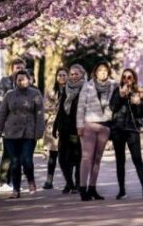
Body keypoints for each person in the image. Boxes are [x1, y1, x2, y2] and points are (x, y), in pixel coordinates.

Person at [0, 70, 45, 199]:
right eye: (19, 79)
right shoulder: (9, 95)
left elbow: (40, 114)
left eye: (24, 79)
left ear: (29, 80)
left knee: (26, 160)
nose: (22, 81)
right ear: (15, 81)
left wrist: (39, 131)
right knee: (15, 162)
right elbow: (2, 114)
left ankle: (31, 180)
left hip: (28, 133)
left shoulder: (35, 94)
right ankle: (16, 189)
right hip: (11, 133)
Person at [76, 61, 118, 201]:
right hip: (89, 125)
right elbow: (81, 106)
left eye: (105, 70)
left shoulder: (113, 85)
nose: (103, 73)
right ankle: (82, 188)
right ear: (95, 72)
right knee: (86, 158)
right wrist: (79, 125)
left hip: (104, 126)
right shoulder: (87, 86)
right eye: (100, 70)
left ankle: (92, 188)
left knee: (97, 159)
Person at [109, 68, 143, 200]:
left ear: (134, 79)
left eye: (129, 77)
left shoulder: (141, 92)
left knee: (137, 159)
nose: (126, 80)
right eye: (124, 77)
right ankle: (122, 190)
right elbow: (112, 107)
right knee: (119, 161)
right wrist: (121, 97)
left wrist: (138, 103)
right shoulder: (117, 90)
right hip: (118, 129)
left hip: (132, 129)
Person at [0, 58, 28, 192]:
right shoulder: (5, 82)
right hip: (8, 123)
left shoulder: (28, 81)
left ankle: (14, 182)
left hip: (24, 125)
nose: (20, 70)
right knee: (8, 153)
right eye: (17, 67)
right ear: (12, 69)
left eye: (22, 67)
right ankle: (3, 181)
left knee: (20, 154)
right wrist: (2, 119)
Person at [54, 64, 86, 194]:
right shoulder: (65, 88)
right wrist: (56, 125)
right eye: (71, 74)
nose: (73, 76)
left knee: (77, 157)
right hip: (64, 128)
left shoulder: (86, 89)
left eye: (76, 74)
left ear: (82, 74)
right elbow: (61, 109)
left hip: (77, 128)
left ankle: (78, 184)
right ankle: (69, 183)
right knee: (62, 158)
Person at [42, 68, 67, 189]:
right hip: (53, 124)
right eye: (59, 75)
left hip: (67, 124)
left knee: (66, 155)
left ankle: (69, 181)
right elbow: (46, 107)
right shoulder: (51, 91)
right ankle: (49, 180)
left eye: (64, 75)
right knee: (53, 154)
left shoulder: (71, 90)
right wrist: (57, 107)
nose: (62, 77)